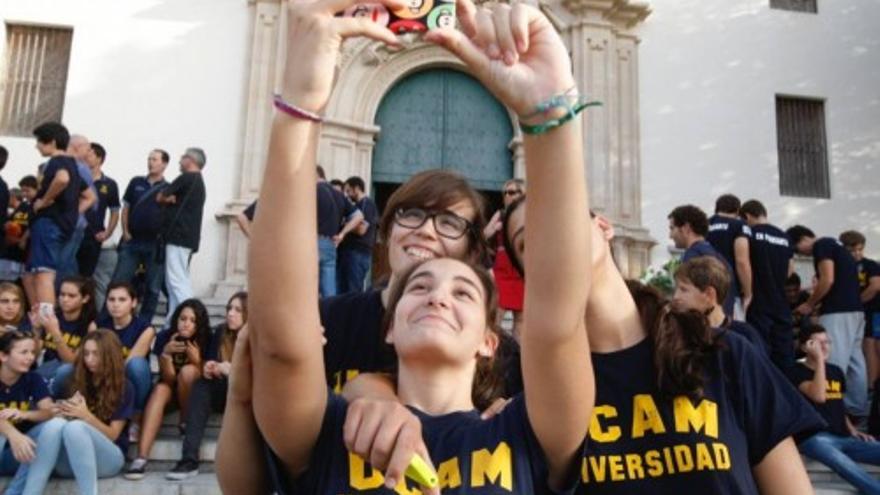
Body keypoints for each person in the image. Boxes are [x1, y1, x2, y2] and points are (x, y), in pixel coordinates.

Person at [222, 0, 597, 492]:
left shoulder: (525, 435)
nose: (438, 294)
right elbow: (282, 342)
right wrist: (300, 105)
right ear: (390, 328)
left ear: (491, 342)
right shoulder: (329, 434)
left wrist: (551, 114)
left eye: (464, 292)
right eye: (418, 287)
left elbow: (557, 326)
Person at [502, 194, 823, 493]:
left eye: (561, 217)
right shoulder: (533, 385)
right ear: (528, 276)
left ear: (603, 227)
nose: (550, 237)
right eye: (528, 242)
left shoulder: (723, 352)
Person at [13, 330, 134, 495]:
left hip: (109, 459)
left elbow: (113, 435)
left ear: (109, 356)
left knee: (76, 427)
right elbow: (55, 419)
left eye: (96, 354)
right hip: (72, 459)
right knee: (56, 424)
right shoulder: (75, 380)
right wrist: (60, 412)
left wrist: (86, 416)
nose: (89, 359)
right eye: (86, 353)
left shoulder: (124, 387)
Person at [789, 324, 880, 494]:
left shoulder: (836, 371)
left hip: (844, 436)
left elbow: (837, 404)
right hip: (814, 437)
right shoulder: (795, 371)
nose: (824, 347)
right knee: (846, 465)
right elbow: (819, 396)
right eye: (818, 343)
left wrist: (853, 430)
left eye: (827, 342)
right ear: (805, 347)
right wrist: (819, 362)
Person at [788, 224, 868, 417]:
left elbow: (828, 279)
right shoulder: (837, 245)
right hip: (855, 311)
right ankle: (856, 409)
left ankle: (833, 410)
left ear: (803, 239)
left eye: (798, 249)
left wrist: (809, 303)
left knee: (831, 359)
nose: (803, 254)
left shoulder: (822, 245)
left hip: (838, 311)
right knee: (856, 362)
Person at [166, 291, 247, 480]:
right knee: (202, 385)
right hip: (224, 391)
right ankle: (189, 460)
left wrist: (233, 370)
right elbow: (209, 362)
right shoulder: (220, 332)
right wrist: (210, 367)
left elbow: (263, 375)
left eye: (238, 310)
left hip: (248, 394)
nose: (230, 314)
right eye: (229, 309)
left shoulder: (257, 337)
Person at [126, 298, 210, 479]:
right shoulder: (165, 337)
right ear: (176, 320)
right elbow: (169, 379)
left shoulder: (206, 338)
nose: (186, 324)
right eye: (183, 318)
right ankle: (141, 458)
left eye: (192, 320)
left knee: (188, 372)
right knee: (160, 390)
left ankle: (185, 422)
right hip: (172, 389)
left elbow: (207, 376)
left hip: (195, 396)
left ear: (199, 324)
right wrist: (165, 355)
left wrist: (196, 359)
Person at [23, 123, 87, 315]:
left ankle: (47, 322)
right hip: (58, 225)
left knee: (44, 275)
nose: (37, 147)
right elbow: (89, 196)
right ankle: (38, 320)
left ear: (51, 142)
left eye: (39, 143)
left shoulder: (57, 162)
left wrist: (44, 201)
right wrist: (72, 213)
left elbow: (62, 179)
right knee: (30, 275)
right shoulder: (73, 165)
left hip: (49, 224)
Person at [111, 149, 169, 322]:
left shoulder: (169, 188)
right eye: (149, 158)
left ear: (164, 164)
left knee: (153, 286)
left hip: (155, 244)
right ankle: (113, 317)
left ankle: (144, 322)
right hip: (133, 241)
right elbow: (126, 208)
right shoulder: (136, 182)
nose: (151, 162)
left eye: (155, 159)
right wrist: (126, 231)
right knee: (120, 281)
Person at [739, 199, 796, 370]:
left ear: (747, 216)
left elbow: (743, 263)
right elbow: (790, 271)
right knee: (784, 354)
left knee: (759, 350)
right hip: (780, 302)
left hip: (758, 301)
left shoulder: (749, 234)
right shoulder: (784, 237)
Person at [95, 282, 156, 435]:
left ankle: (136, 417)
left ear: (133, 303)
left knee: (136, 365)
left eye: (122, 300)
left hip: (129, 380)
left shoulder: (145, 329)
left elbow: (128, 364)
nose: (116, 304)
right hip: (102, 378)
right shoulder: (97, 326)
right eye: (111, 299)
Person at [672, 256, 767, 353]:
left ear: (709, 294)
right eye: (675, 290)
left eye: (684, 290)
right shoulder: (675, 334)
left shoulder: (745, 336)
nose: (675, 297)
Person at [157, 148, 207, 322]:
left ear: (190, 160)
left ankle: (192, 316)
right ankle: (172, 320)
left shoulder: (187, 178)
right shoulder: (198, 181)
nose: (179, 161)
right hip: (186, 238)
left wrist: (167, 199)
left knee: (176, 280)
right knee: (175, 283)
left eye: (182, 157)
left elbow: (160, 197)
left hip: (178, 237)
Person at [0, 331, 54, 492]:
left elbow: (49, 412)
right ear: (3, 356)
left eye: (32, 352)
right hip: (7, 443)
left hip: (18, 453)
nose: (30, 358)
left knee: (52, 428)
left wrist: (25, 414)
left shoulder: (33, 379)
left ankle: (14, 492)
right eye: (24, 352)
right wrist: (12, 433)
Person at [668, 204, 736, 316]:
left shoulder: (693, 257)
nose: (670, 235)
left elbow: (690, 303)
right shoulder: (720, 257)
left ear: (686, 228)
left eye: (672, 228)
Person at [79, 143, 120, 309]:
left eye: (89, 154)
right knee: (70, 274)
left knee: (88, 278)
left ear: (99, 158)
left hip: (93, 237)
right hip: (74, 234)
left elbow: (115, 211)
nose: (85, 156)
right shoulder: (78, 179)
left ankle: (88, 314)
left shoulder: (109, 184)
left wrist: (108, 232)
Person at [483, 178, 525, 335]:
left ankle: (518, 356)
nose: (508, 196)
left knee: (520, 319)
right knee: (495, 315)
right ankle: (494, 353)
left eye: (512, 192)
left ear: (522, 194)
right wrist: (494, 229)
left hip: (520, 269)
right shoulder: (500, 214)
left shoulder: (531, 214)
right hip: (502, 269)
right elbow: (485, 234)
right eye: (505, 193)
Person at [840, 230, 880, 387]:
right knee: (864, 347)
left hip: (874, 310)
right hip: (858, 312)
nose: (857, 253)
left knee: (871, 346)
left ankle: (871, 386)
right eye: (852, 250)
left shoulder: (870, 264)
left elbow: (876, 286)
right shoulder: (843, 265)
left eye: (860, 249)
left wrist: (856, 302)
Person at [316, 166, 363, 298]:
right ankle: (329, 317)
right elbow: (359, 216)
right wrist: (342, 234)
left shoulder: (311, 190)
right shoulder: (339, 195)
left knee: (307, 286)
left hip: (313, 242)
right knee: (329, 291)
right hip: (331, 243)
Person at [58, 134, 98, 282]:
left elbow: (92, 199)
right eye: (87, 149)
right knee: (66, 262)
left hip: (71, 223)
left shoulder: (80, 168)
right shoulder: (76, 167)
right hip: (70, 223)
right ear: (78, 147)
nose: (88, 154)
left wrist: (71, 215)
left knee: (62, 263)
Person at [707, 194, 752, 320]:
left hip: (705, 285)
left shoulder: (705, 225)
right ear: (737, 210)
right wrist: (748, 293)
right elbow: (742, 261)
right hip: (730, 289)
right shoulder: (739, 225)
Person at [337, 176, 379, 294]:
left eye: (348, 191)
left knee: (352, 291)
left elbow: (362, 229)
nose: (347, 195)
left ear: (357, 189)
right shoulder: (360, 205)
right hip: (353, 254)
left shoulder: (366, 204)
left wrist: (344, 225)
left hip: (356, 254)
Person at [2, 176, 38, 283]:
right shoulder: (21, 209)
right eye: (22, 190)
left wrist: (21, 240)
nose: (24, 194)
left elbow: (33, 227)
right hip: (11, 255)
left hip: (24, 257)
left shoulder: (35, 208)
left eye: (27, 190)